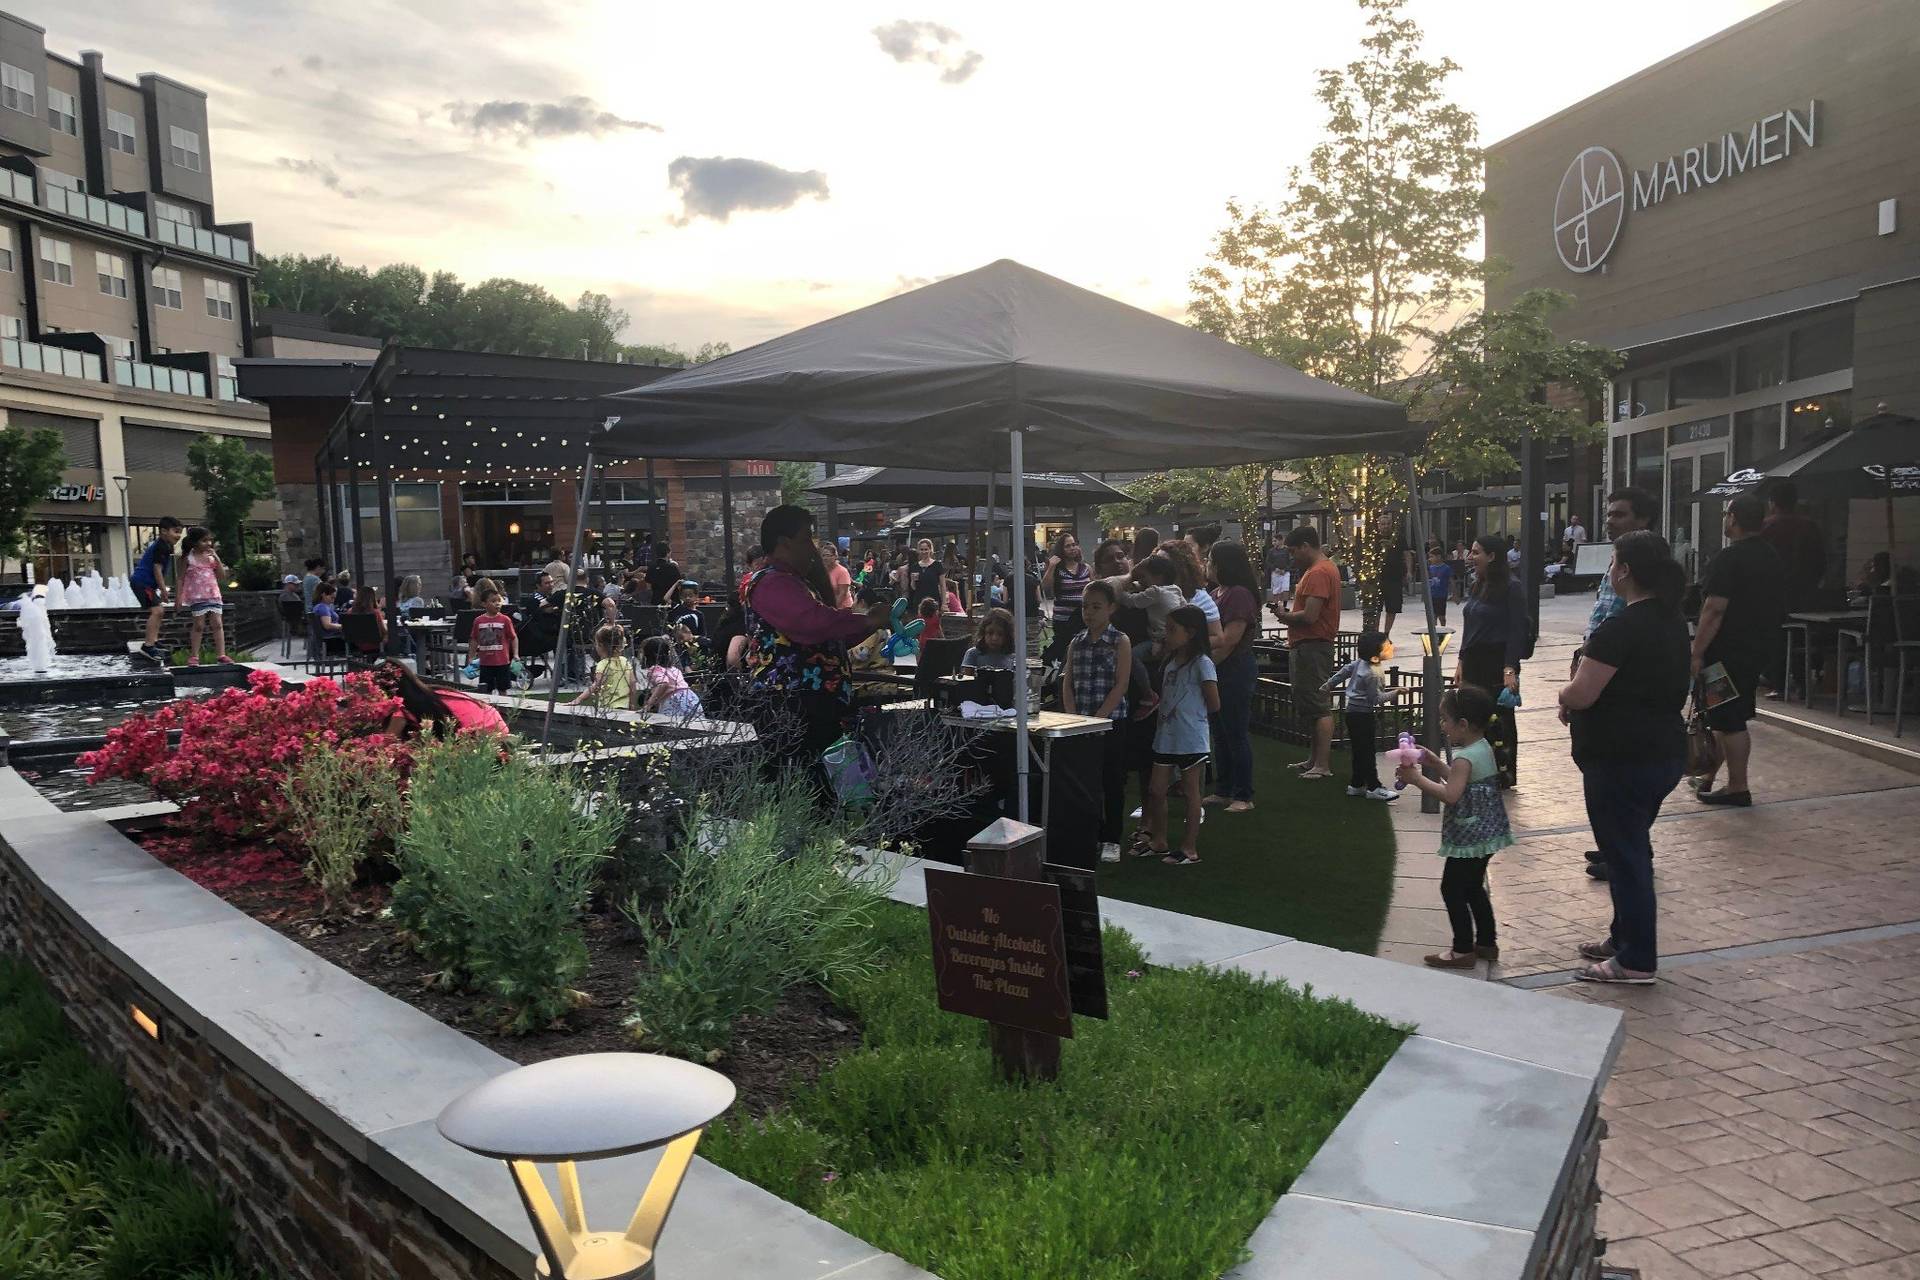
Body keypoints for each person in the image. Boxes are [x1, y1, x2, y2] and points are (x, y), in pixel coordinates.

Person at [1555, 530, 1691, 984]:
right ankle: (1624, 937)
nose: (1610, 570)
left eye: (1614, 561)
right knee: (1630, 849)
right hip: (1661, 752)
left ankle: (1637, 959)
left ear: (1626, 570)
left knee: (1627, 857)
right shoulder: (1671, 622)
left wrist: (1563, 692)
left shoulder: (1623, 628)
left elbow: (1582, 693)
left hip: (1623, 760)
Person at [740, 505, 878, 779]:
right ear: (783, 543)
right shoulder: (771, 583)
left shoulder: (797, 583)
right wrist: (866, 621)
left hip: (814, 704)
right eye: (806, 538)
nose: (812, 547)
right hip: (789, 704)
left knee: (829, 786)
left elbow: (830, 634)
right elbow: (810, 624)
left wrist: (868, 623)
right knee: (800, 785)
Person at [1572, 487, 1658, 880]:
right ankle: (1616, 844)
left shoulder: (1645, 562)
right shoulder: (1617, 557)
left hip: (1617, 670)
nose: (1610, 520)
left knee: (1612, 772)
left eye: (1619, 515)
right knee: (1596, 765)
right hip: (1598, 655)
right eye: (1608, 514)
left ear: (1642, 519)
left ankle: (1626, 848)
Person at [1398, 684, 1513, 969]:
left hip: (1470, 836)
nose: (1442, 725)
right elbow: (1462, 782)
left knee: (1452, 888)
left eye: (1444, 720)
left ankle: (1462, 949)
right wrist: (1435, 762)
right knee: (1473, 886)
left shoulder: (1464, 757)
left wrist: (1417, 780)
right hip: (1487, 833)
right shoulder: (1480, 747)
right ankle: (1486, 943)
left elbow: (1452, 795)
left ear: (1462, 724)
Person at [1691, 494, 1785, 807]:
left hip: (1725, 652)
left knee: (1729, 719)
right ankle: (1708, 777)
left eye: (1726, 515)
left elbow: (1714, 609)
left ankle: (1737, 786)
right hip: (1756, 647)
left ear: (1733, 519)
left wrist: (1696, 650)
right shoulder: (1770, 555)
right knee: (1723, 715)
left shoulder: (1729, 559)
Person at [1062, 581, 1133, 863]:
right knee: (1084, 782)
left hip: (1112, 723)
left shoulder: (1120, 641)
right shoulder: (1076, 643)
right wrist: (1074, 718)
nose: (1089, 613)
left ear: (1111, 609)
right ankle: (1089, 833)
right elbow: (1068, 683)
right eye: (1085, 606)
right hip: (1080, 723)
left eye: (1096, 607)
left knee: (1112, 781)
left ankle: (1112, 838)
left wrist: (1099, 718)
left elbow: (1122, 684)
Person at [1143, 605, 1219, 866]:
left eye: (1172, 630)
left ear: (1191, 632)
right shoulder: (1171, 662)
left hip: (1190, 737)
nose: (1167, 635)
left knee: (1191, 792)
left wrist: (1191, 714)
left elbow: (1214, 702)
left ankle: (1189, 847)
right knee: (1156, 789)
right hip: (1166, 735)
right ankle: (1159, 840)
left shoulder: (1203, 664)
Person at [1269, 526, 1341, 779]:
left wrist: (1284, 616)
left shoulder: (1320, 572)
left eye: (1293, 550)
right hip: (1308, 644)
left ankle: (1322, 764)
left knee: (1319, 705)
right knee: (1311, 703)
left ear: (1306, 546)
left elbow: (1311, 615)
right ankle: (1314, 759)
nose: (1292, 556)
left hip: (1313, 644)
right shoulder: (1320, 570)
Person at [1457, 535, 1529, 788]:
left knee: (1500, 720)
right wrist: (1461, 660)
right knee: (1473, 716)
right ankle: (1478, 770)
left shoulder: (1511, 587)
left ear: (1492, 556)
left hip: (1497, 661)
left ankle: (1503, 773)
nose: (1470, 557)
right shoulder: (1477, 585)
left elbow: (1517, 630)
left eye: (1476, 552)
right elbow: (1469, 626)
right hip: (1474, 660)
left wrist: (1510, 668)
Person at [1205, 540, 1262, 813]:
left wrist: (1205, 667)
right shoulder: (1216, 592)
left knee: (1235, 732)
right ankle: (1223, 788)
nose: (1207, 564)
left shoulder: (1238, 594)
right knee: (1219, 732)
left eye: (1210, 559)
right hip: (1217, 669)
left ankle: (1243, 793)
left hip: (1234, 668)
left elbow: (1229, 640)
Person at [1325, 630, 1397, 800]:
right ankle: (1373, 787)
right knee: (1367, 752)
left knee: (1359, 751)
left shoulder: (1360, 664)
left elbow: (1344, 671)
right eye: (1387, 646)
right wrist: (1396, 693)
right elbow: (1376, 699)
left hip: (1353, 713)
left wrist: (1328, 684)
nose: (1391, 647)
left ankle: (1356, 785)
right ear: (1375, 656)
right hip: (1363, 716)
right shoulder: (1371, 674)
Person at [377, 661, 508, 738]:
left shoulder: (401, 709)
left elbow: (387, 746)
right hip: (496, 724)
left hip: (486, 737)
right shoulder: (429, 692)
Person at [131, 516, 185, 661]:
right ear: (163, 531)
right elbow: (157, 569)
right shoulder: (161, 546)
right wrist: (163, 589)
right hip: (142, 583)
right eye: (176, 531)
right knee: (157, 611)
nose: (178, 536)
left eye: (180, 532)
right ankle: (148, 646)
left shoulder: (165, 545)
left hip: (145, 583)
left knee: (159, 612)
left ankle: (153, 641)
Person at [176, 526, 231, 665]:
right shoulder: (188, 558)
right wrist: (179, 597)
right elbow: (180, 578)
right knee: (199, 625)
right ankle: (194, 655)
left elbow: (222, 576)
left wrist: (216, 558)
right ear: (194, 542)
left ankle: (221, 654)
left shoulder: (211, 558)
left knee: (218, 624)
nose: (208, 544)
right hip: (197, 596)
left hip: (213, 594)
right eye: (204, 541)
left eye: (210, 541)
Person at [1118, 554, 1184, 659]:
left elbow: (1131, 601)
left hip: (1160, 639)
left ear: (1158, 577)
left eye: (1144, 576)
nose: (1141, 580)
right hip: (1175, 636)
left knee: (1132, 656)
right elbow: (1184, 608)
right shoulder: (1175, 589)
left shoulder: (1155, 592)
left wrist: (1118, 590)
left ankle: (1142, 676)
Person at [1043, 532, 1091, 661]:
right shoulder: (1058, 570)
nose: (1072, 548)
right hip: (1063, 621)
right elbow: (1045, 587)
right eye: (1067, 546)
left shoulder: (1086, 568)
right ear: (1061, 549)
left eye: (1074, 545)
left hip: (1083, 619)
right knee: (1064, 656)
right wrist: (1051, 566)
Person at [570, 624, 638, 711]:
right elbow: (632, 683)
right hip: (624, 706)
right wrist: (632, 704)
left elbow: (596, 685)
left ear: (601, 645)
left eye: (596, 644)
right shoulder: (625, 662)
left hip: (608, 707)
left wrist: (579, 699)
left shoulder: (602, 664)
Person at [467, 588, 519, 694]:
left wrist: (516, 654)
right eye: (493, 601)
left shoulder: (505, 620)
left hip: (502, 662)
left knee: (503, 689)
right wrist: (471, 657)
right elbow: (474, 640)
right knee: (486, 690)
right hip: (485, 663)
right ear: (484, 604)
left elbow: (513, 638)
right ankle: (488, 710)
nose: (497, 604)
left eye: (499, 601)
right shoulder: (478, 621)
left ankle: (504, 710)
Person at [1379, 526, 1411, 641]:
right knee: (1375, 608)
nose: (1385, 526)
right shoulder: (1374, 537)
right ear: (1378, 526)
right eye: (1382, 524)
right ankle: (1375, 634)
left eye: (1388, 523)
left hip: (1395, 577)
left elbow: (1407, 554)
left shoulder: (1398, 537)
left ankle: (1386, 634)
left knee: (1392, 608)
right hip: (1378, 578)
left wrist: (1408, 571)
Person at [348, 582, 387, 660]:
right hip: (374, 645)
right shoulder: (375, 613)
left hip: (356, 644)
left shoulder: (350, 612)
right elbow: (383, 631)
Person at [310, 581, 345, 654]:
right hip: (332, 640)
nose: (333, 601)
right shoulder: (323, 608)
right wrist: (343, 626)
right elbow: (327, 625)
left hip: (326, 639)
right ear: (324, 595)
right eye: (332, 598)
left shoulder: (317, 607)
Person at [820, 543, 855, 609]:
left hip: (844, 608)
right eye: (823, 555)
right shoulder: (822, 571)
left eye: (828, 555)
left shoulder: (842, 571)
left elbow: (842, 594)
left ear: (835, 556)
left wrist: (833, 609)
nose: (825, 558)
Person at [646, 542, 682, 606]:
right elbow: (679, 584)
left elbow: (648, 586)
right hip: (672, 601)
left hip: (656, 600)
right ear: (668, 553)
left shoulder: (651, 567)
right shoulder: (672, 567)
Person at [1426, 547, 1453, 627]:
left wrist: (1455, 594)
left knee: (1441, 616)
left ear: (1439, 557)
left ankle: (1443, 629)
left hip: (1441, 596)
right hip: (1432, 595)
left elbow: (1451, 581)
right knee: (1432, 616)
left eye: (1432, 557)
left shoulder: (1446, 568)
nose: (1430, 559)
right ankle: (1433, 632)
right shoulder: (1431, 568)